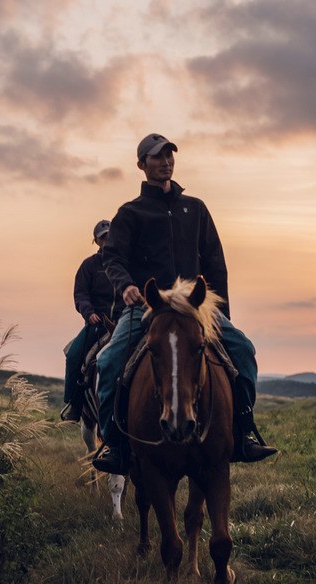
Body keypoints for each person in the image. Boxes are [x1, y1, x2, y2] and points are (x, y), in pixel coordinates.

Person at [92, 132, 277, 474]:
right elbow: (113, 258)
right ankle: (113, 445)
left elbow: (214, 263)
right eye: (157, 157)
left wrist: (219, 315)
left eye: (169, 156)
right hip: (149, 306)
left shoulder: (196, 208)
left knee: (244, 351)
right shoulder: (130, 213)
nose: (165, 162)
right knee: (109, 361)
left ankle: (244, 433)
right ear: (141, 165)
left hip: (195, 310)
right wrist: (127, 286)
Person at [60, 220, 123, 422]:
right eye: (103, 237)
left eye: (110, 236)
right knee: (74, 355)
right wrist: (89, 313)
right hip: (98, 324)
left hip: (124, 322)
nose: (107, 240)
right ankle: (74, 404)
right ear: (96, 241)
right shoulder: (89, 266)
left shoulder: (127, 263)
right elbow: (80, 294)